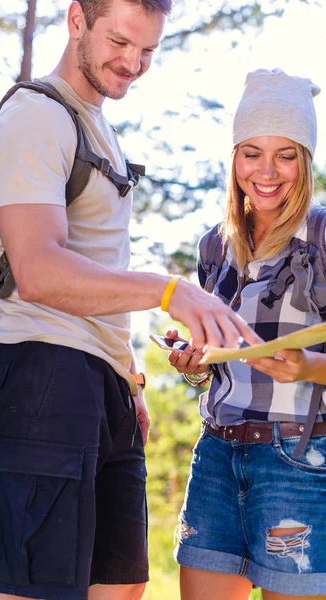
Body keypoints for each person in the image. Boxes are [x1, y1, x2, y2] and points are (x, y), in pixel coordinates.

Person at [0, 2, 259, 600]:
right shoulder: (34, 118)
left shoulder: (96, 124)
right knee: (23, 590)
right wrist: (169, 291)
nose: (133, 62)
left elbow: (95, 263)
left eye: (148, 49)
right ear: (77, 20)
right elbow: (39, 269)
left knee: (120, 586)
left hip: (99, 380)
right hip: (36, 371)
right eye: (120, 42)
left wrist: (125, 374)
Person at [167, 67, 326, 599]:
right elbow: (218, 361)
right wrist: (195, 364)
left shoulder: (322, 235)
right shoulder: (215, 246)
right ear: (234, 158)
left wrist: (309, 367)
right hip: (216, 454)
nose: (268, 170)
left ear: (304, 162)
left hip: (296, 460)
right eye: (252, 152)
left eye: (286, 154)